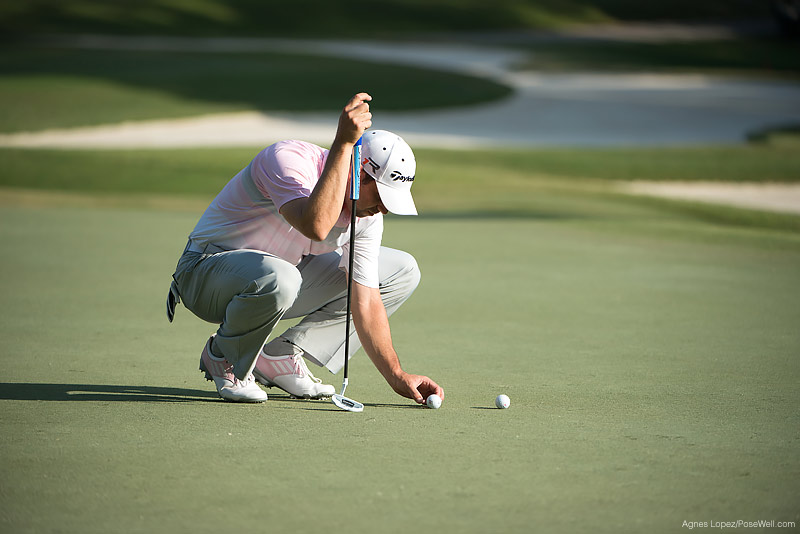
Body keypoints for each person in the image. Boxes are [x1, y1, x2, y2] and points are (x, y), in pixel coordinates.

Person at [166, 92, 444, 405]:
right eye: (380, 196)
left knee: (400, 271)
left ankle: (280, 356)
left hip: (277, 279)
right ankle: (223, 356)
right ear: (360, 173)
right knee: (283, 277)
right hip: (204, 273)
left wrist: (397, 375)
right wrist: (343, 143)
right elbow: (315, 224)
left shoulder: (367, 215)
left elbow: (364, 301)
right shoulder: (288, 159)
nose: (384, 209)